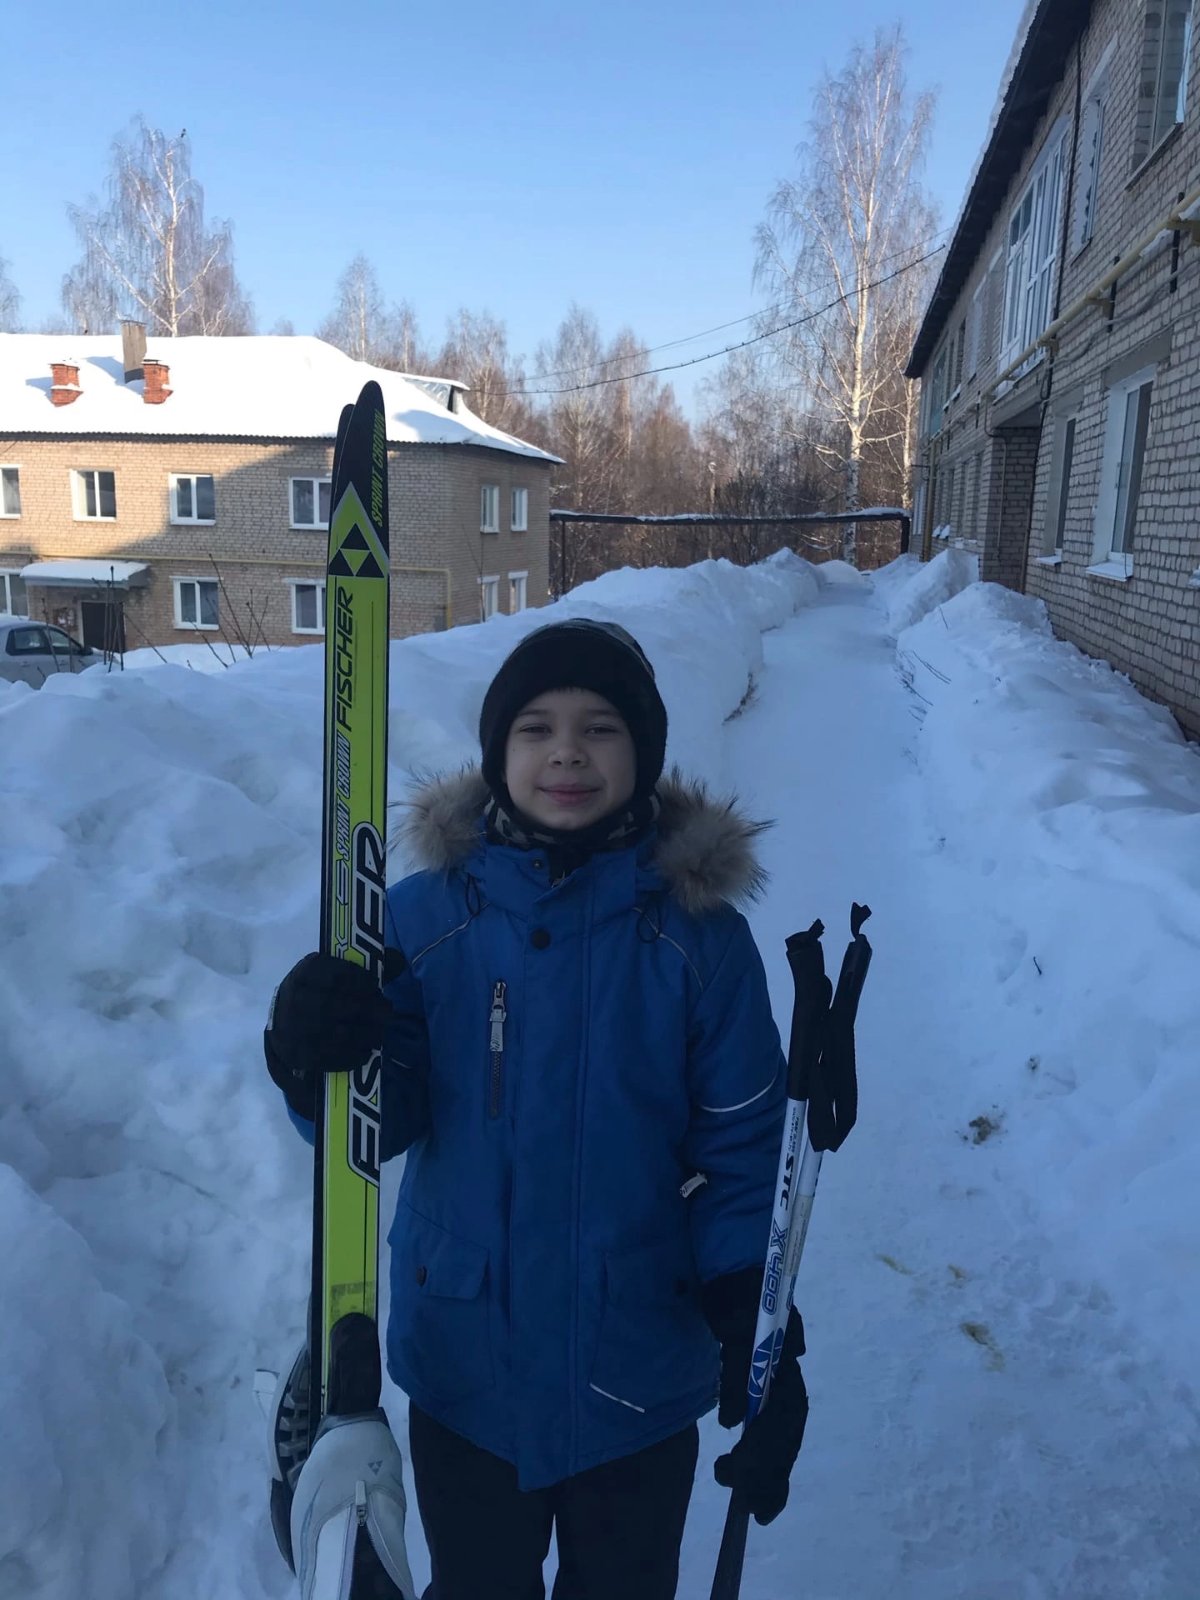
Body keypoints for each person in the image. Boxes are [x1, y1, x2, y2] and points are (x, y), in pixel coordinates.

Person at [265, 618, 809, 1600]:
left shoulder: (699, 942)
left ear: (643, 753)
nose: (567, 752)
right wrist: (320, 1061)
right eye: (536, 728)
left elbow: (743, 1146)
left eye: (601, 728)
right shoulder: (423, 917)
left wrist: (751, 1312)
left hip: (636, 1369)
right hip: (467, 1366)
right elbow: (385, 1117)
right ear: (496, 752)